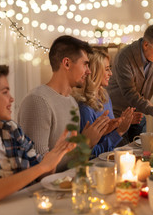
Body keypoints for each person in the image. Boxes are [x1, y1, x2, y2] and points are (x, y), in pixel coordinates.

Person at [0, 63, 76, 211]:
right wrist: (42, 166)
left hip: (27, 212)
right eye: (5, 92)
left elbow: (42, 174)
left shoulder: (11, 129)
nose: (11, 99)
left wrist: (56, 155)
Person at [18, 35, 109, 172]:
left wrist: (89, 143)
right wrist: (86, 142)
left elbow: (73, 160)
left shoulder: (71, 101)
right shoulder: (38, 101)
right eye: (85, 64)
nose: (88, 71)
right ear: (66, 63)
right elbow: (38, 168)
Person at [107, 23, 153, 142]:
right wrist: (152, 109)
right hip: (118, 116)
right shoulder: (125, 57)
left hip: (139, 115)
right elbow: (129, 92)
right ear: (146, 44)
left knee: (143, 151)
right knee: (121, 154)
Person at [74, 49, 141, 157]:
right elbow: (90, 154)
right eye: (106, 69)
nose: (110, 73)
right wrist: (119, 131)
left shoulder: (104, 96)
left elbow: (106, 136)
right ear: (94, 71)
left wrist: (121, 123)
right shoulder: (85, 108)